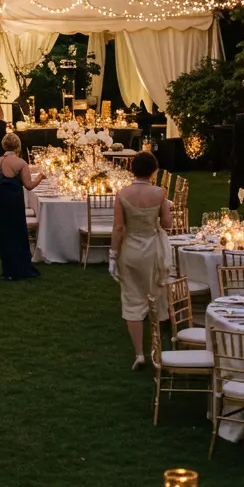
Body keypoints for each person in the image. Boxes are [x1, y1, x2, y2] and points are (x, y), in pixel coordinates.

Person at [109, 151, 172, 370]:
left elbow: (118, 228)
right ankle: (156, 350)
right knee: (155, 296)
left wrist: (112, 255)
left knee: (132, 299)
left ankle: (139, 353)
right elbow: (167, 224)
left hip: (130, 250)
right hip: (153, 250)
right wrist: (167, 209)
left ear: (132, 169)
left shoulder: (122, 193)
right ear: (154, 170)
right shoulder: (159, 193)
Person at [0, 132, 45, 281]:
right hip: (14, 202)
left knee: (5, 235)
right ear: (18, 146)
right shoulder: (21, 163)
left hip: (2, 202)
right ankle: (21, 268)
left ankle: (7, 269)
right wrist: (40, 177)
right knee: (18, 233)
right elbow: (28, 185)